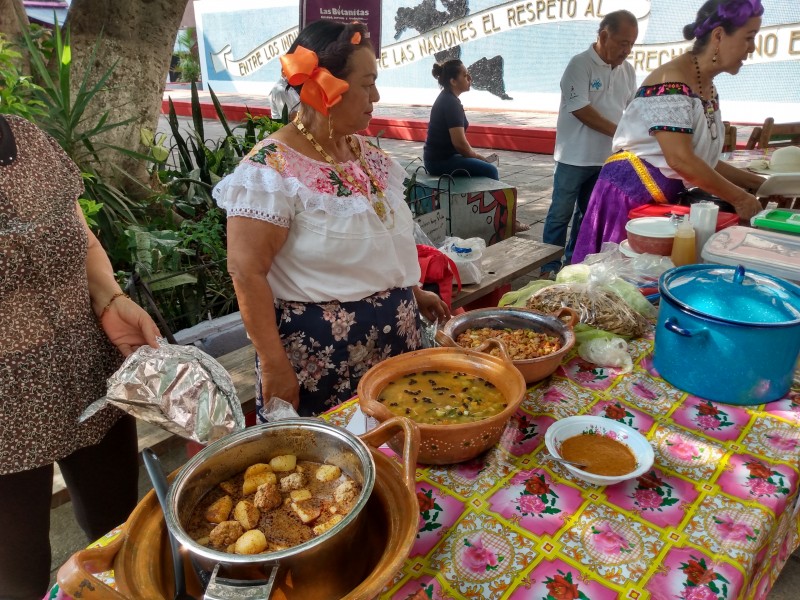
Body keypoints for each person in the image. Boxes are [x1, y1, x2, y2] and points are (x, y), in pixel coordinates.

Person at [214, 20, 450, 419]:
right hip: (322, 362)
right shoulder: (270, 171)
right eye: (367, 82)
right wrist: (273, 364)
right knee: (333, 473)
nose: (375, 95)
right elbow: (246, 272)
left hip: (398, 342)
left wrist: (411, 291)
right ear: (324, 88)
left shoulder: (369, 157)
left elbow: (383, 240)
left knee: (398, 457)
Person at [0, 115, 160, 599]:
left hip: (89, 371)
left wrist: (111, 299)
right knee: (16, 571)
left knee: (119, 535)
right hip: (5, 402)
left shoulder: (24, 135)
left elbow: (81, 240)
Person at [572, 0, 766, 264]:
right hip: (627, 199)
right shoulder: (672, 81)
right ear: (719, 35)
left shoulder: (706, 86)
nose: (752, 49)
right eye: (749, 38)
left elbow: (701, 161)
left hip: (656, 202)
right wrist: (739, 197)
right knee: (612, 284)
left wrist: (758, 184)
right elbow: (680, 160)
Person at [540, 10, 639, 278]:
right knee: (560, 214)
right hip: (574, 156)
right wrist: (620, 132)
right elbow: (580, 109)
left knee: (587, 217)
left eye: (632, 44)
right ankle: (548, 267)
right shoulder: (580, 65)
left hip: (606, 159)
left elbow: (632, 111)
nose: (627, 50)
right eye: (623, 43)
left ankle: (573, 266)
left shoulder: (628, 72)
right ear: (604, 35)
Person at [423, 59, 529, 232]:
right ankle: (504, 219)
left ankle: (499, 216)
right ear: (453, 81)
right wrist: (481, 158)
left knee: (483, 167)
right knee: (490, 170)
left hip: (442, 157)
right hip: (440, 161)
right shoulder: (450, 103)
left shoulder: (449, 99)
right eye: (465, 75)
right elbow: (460, 145)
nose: (469, 78)